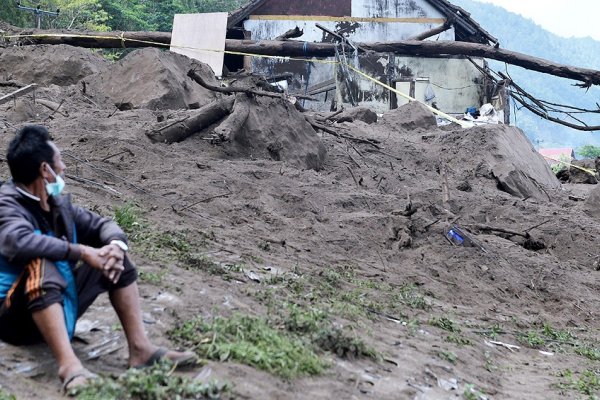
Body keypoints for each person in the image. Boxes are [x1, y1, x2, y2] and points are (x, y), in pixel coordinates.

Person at [0, 125, 195, 392]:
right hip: (14, 319)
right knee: (41, 262)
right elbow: (17, 242)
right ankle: (69, 366)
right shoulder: (6, 204)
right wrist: (82, 251)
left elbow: (103, 225)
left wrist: (114, 247)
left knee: (116, 258)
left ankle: (140, 351)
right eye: (60, 161)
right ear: (46, 170)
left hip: (57, 302)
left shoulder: (56, 204)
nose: (64, 167)